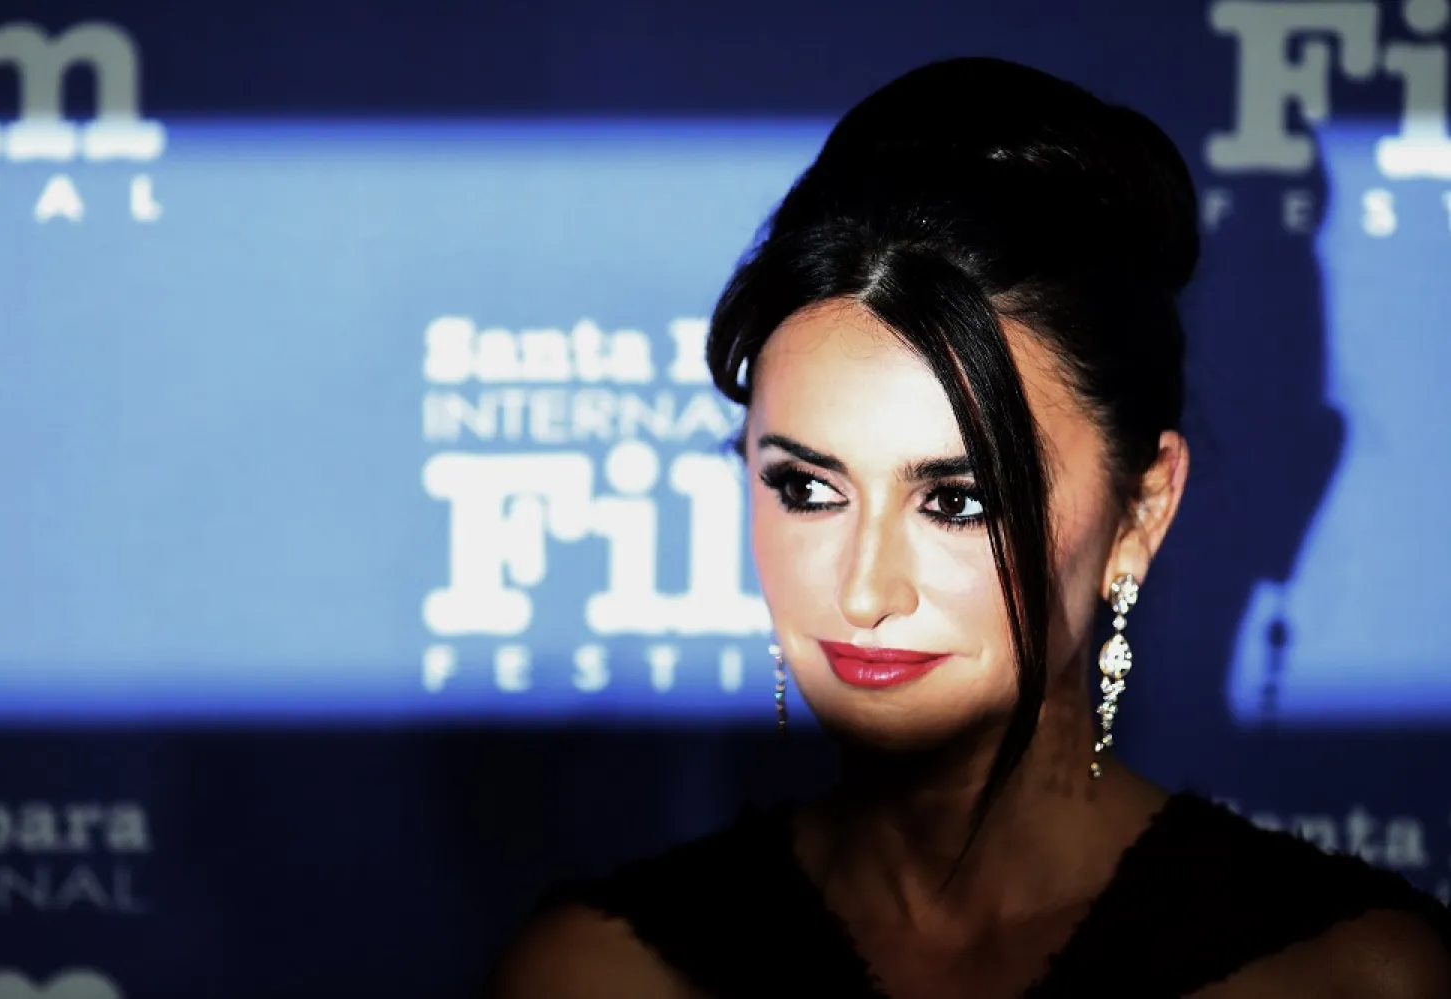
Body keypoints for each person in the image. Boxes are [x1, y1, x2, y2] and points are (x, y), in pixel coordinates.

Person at [487, 58, 1451, 998]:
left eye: (957, 500)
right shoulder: (601, 973)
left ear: (1141, 510)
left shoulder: (1342, 975)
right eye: (809, 488)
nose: (863, 591)